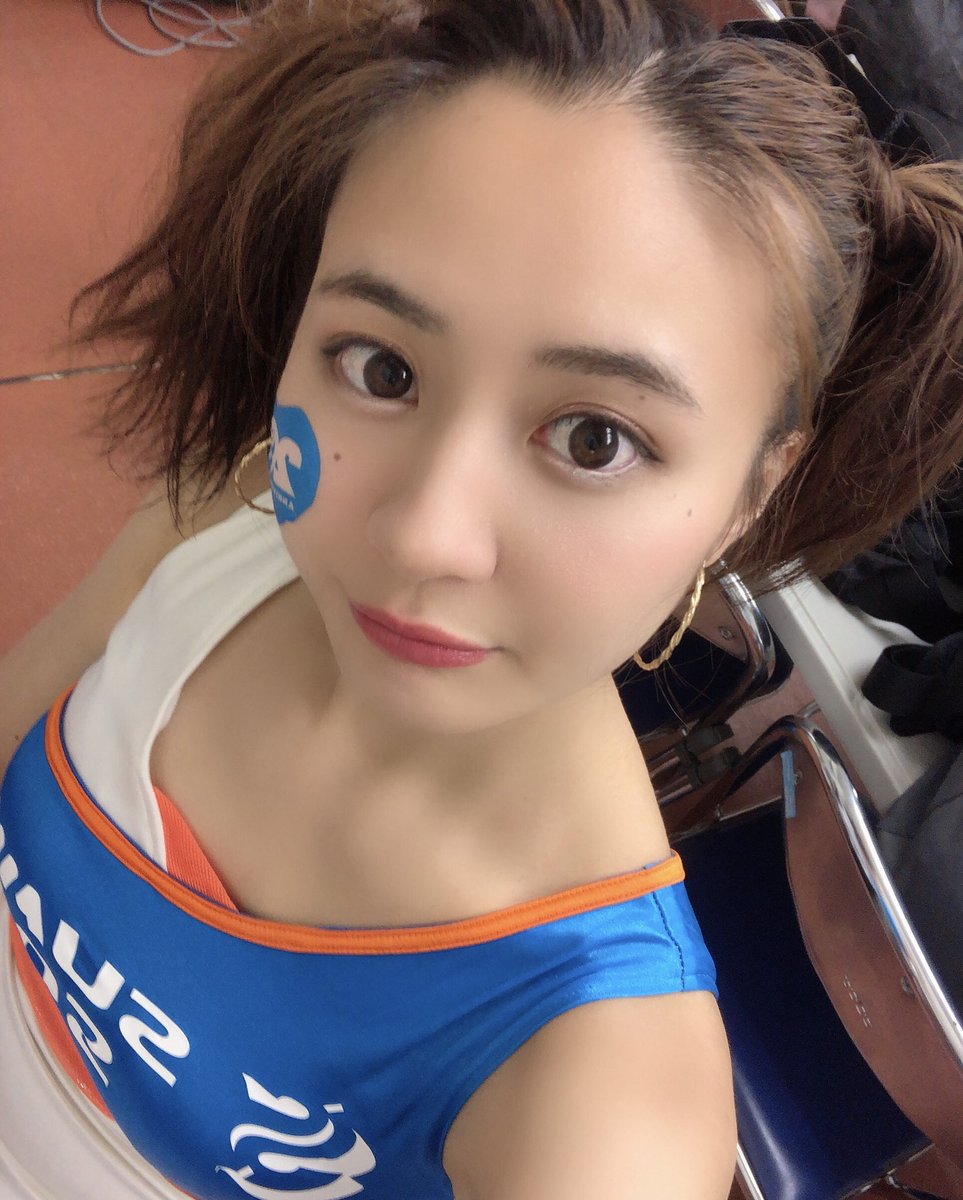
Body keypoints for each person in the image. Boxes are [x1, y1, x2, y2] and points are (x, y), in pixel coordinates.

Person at [1, 1, 962, 1197]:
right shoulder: (232, 510)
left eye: (596, 438)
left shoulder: (598, 1093)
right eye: (381, 367)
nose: (422, 535)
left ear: (748, 496)